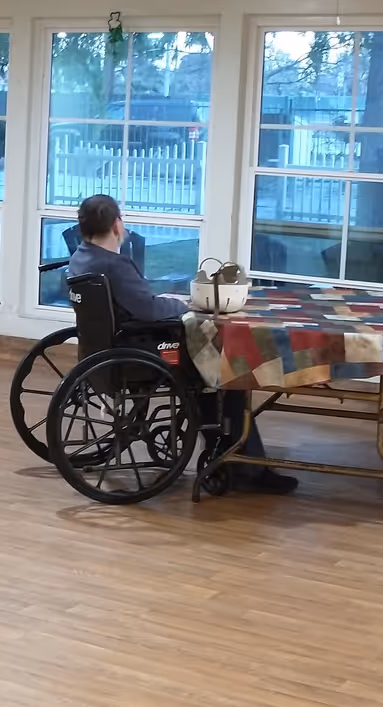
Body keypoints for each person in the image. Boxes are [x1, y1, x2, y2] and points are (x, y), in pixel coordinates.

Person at [65, 194, 295, 493]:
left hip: (104, 349)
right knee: (225, 368)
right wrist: (182, 305)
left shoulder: (81, 258)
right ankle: (245, 466)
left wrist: (162, 302)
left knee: (208, 365)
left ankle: (226, 452)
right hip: (142, 351)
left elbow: (136, 305)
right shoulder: (115, 265)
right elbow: (148, 310)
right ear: (117, 226)